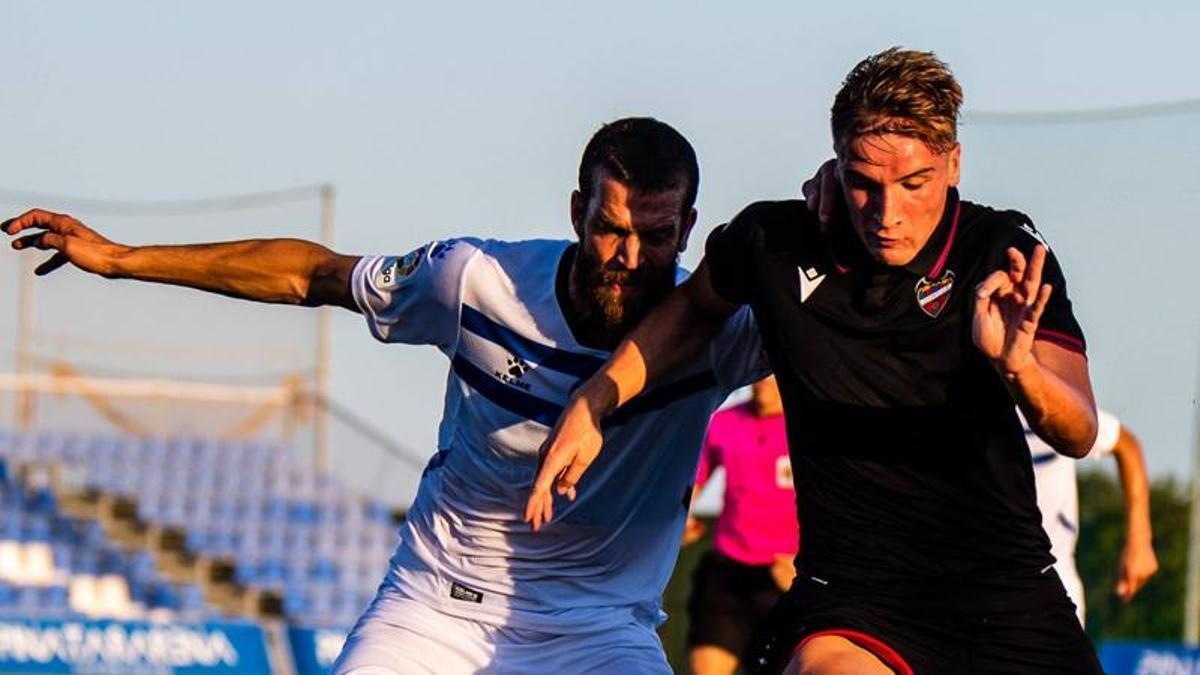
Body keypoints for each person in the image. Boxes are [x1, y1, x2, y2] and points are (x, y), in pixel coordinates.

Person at [2, 117, 767, 673]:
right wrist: (122, 258)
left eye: (658, 236)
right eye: (609, 229)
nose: (629, 258)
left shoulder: (722, 330)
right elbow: (313, 275)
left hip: (603, 632)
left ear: (690, 229)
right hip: (436, 610)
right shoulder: (476, 282)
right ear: (577, 212)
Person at [527, 48, 1105, 674]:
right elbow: (694, 310)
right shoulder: (776, 241)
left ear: (954, 164)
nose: (887, 214)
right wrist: (597, 397)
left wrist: (1020, 371)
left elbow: (1079, 431)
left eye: (915, 184)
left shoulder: (1003, 252)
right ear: (835, 164)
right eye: (863, 182)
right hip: (855, 603)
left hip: (1005, 593)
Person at [685, 374, 798, 675]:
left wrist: (805, 565)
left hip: (786, 578)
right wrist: (680, 521)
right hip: (728, 570)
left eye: (773, 377)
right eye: (760, 376)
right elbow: (691, 485)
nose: (763, 383)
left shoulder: (808, 428)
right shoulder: (723, 421)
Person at [1026, 409, 1158, 623]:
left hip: (1053, 584)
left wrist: (1140, 541)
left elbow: (1126, 445)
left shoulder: (1043, 397)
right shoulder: (960, 404)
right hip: (975, 586)